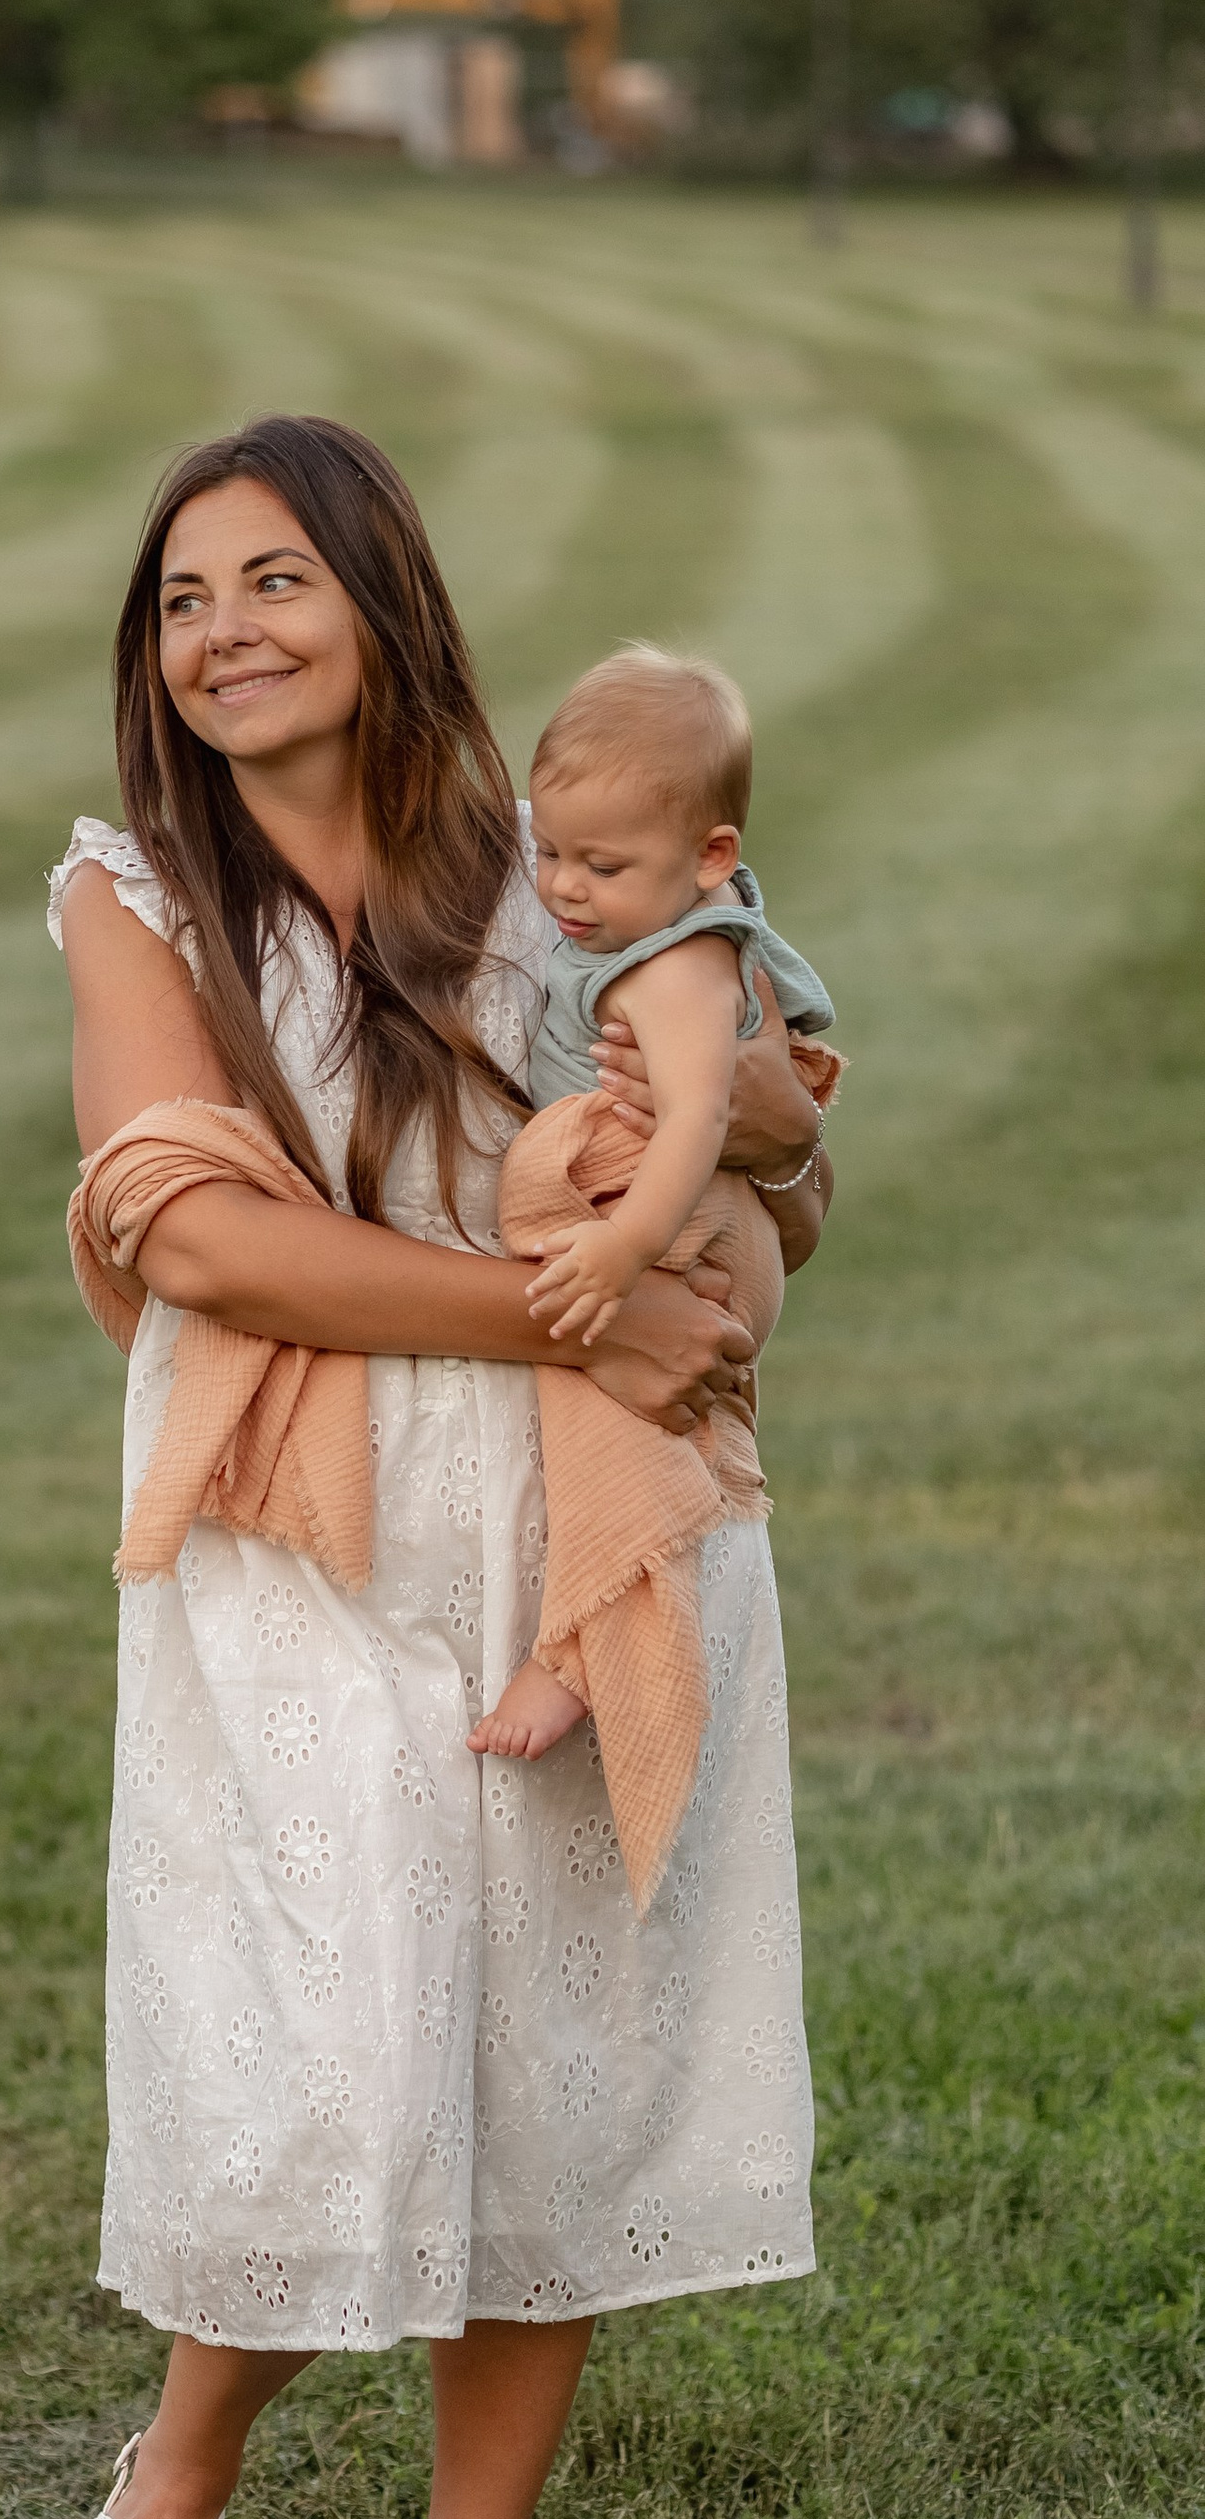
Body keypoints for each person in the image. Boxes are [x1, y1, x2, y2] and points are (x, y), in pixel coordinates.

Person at [0, 418, 832, 2519]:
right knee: (308, 2027)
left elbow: (759, 1139)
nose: (223, 629)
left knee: (549, 2047)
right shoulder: (133, 896)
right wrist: (571, 1306)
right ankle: (169, 2505)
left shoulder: (546, 876)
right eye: (180, 599)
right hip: (310, 1525)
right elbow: (192, 1230)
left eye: (274, 579)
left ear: (381, 603)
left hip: (579, 1532)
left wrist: (728, 1125)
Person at [472, 642, 836, 1767]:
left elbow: (696, 1120)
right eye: (550, 855)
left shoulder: (673, 966)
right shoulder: (639, 921)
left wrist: (627, 1248)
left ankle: (578, 1647)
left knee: (608, 1425)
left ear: (708, 857)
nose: (565, 891)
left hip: (686, 1227)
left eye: (603, 866)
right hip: (675, 1218)